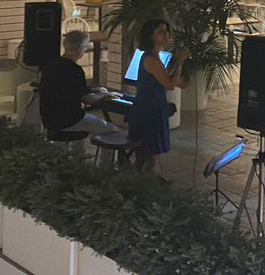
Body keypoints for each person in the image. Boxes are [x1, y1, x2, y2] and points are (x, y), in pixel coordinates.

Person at [128, 18, 189, 173]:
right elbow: (169, 85)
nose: (166, 34)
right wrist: (179, 63)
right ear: (151, 36)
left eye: (167, 30)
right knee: (152, 159)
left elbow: (177, 82)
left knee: (145, 157)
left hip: (151, 109)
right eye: (161, 31)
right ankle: (149, 184)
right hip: (150, 112)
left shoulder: (155, 58)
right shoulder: (151, 59)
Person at [38, 30, 119, 136]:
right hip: (68, 121)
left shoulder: (52, 64)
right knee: (112, 129)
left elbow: (70, 89)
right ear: (80, 48)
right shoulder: (75, 70)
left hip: (49, 120)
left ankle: (76, 146)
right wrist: (104, 94)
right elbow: (87, 100)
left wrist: (94, 90)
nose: (85, 51)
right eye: (86, 47)